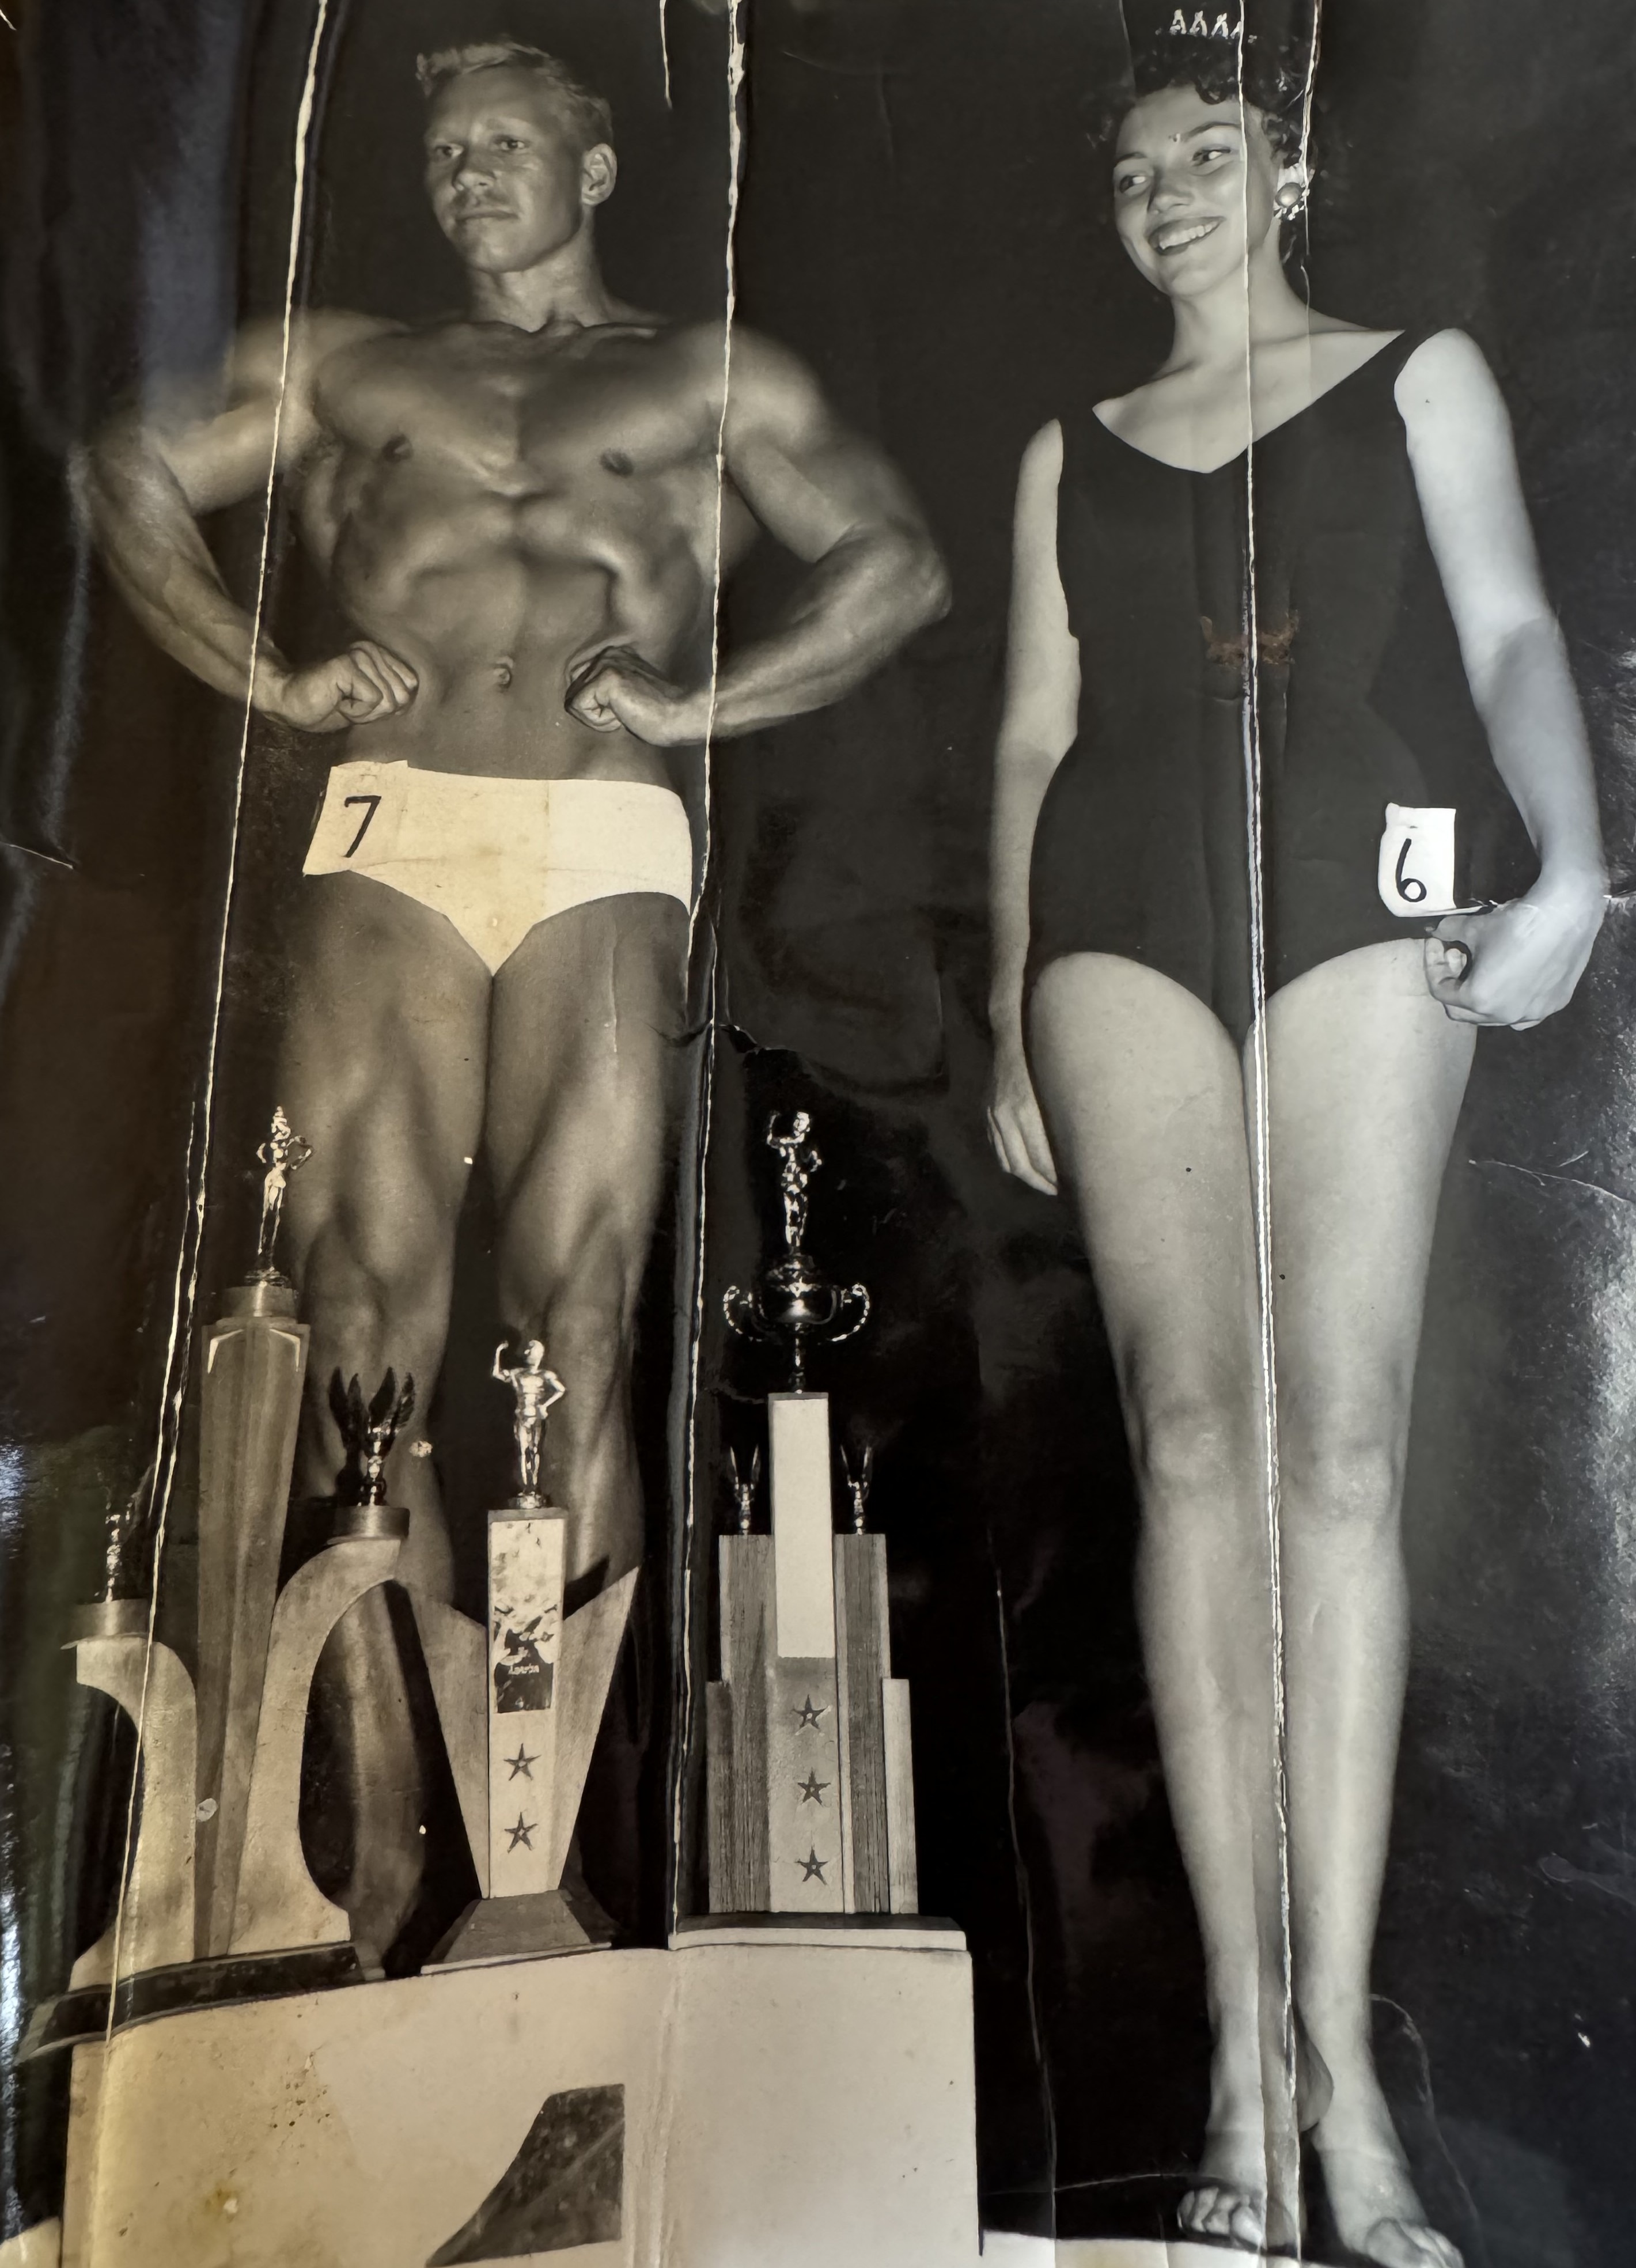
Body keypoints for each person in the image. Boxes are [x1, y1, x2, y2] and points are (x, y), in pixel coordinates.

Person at [81, 37, 949, 1957]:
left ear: (600, 159)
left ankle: (553, 1856)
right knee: (361, 1316)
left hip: (597, 833)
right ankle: (376, 1832)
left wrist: (701, 704)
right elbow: (124, 465)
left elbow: (897, 564)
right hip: (390, 832)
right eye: (447, 149)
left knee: (576, 1310)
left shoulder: (714, 375)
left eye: (507, 144)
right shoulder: (347, 357)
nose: (471, 174)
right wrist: (271, 678)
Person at [986, 25, 1604, 2267]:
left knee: (1332, 1445)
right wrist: (996, 1003)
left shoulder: (1413, 370)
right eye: (1134, 168)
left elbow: (1513, 621)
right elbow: (1037, 729)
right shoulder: (1074, 443)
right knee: (1190, 1439)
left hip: (1369, 891)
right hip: (1119, 928)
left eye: (1208, 153)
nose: (1167, 193)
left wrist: (1560, 868)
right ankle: (1241, 2048)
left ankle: (1336, 2064)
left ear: (1284, 170)